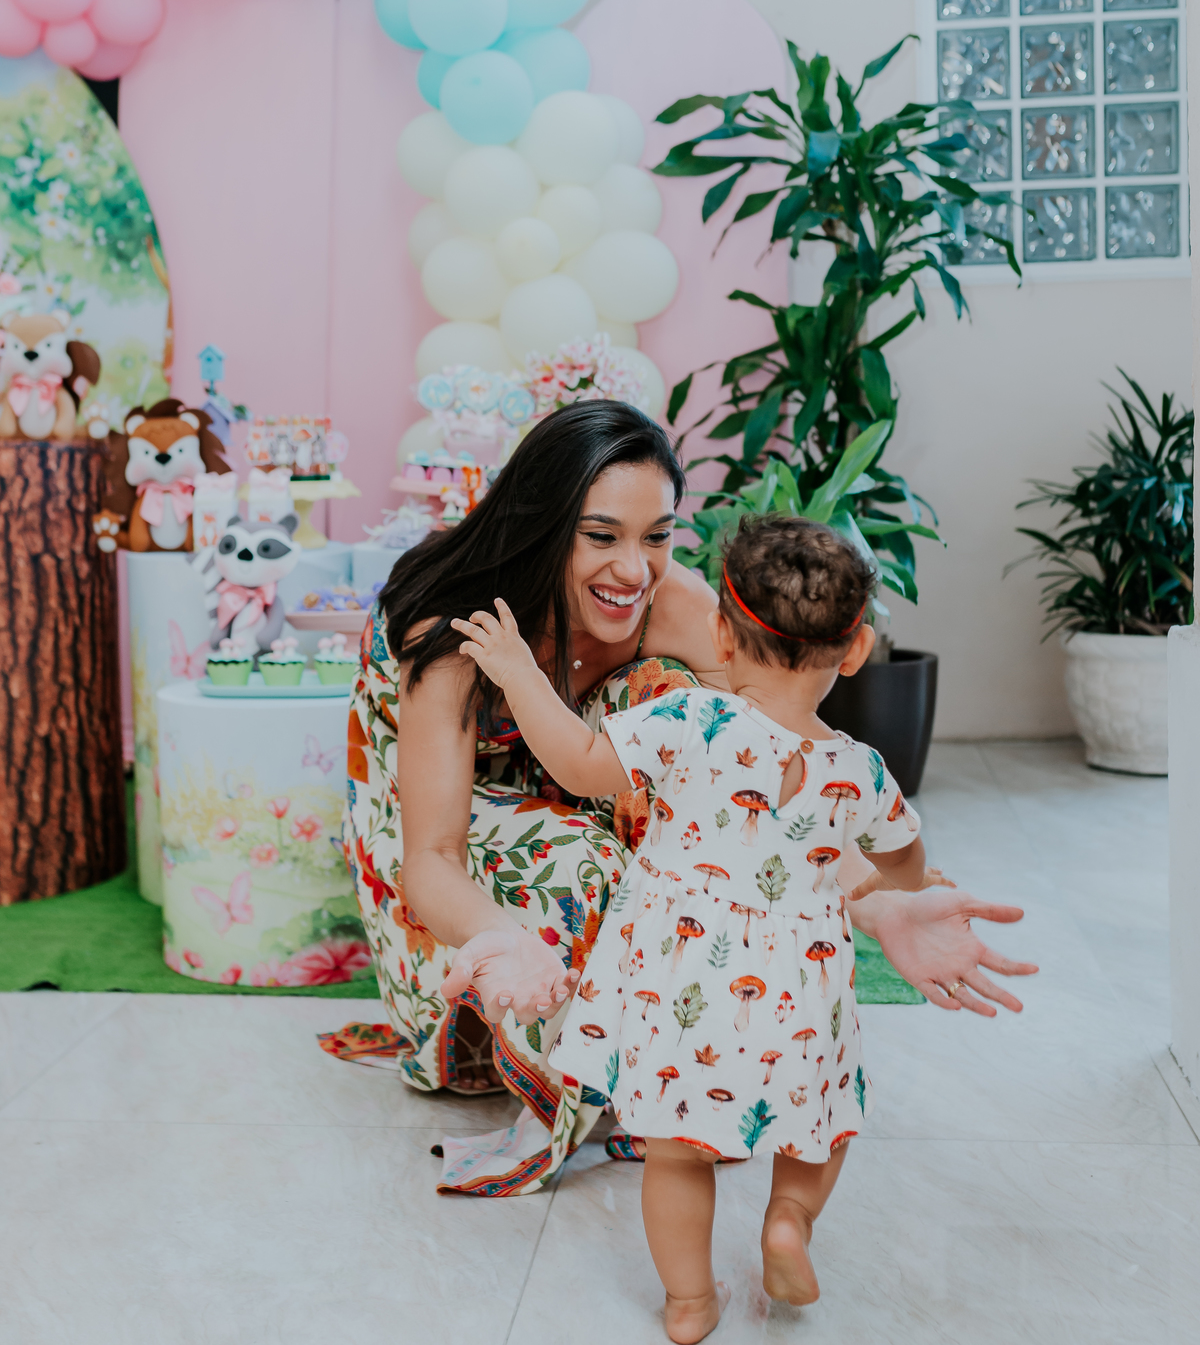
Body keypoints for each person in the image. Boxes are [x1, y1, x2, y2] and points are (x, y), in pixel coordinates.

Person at [338, 400, 1037, 1198]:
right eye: (600, 536)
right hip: (438, 812)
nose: (634, 569)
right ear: (542, 525)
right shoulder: (461, 629)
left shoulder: (670, 608)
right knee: (580, 860)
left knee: (683, 703)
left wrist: (876, 907)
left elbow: (768, 772)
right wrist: (506, 939)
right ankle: (566, 1074)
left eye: (659, 536)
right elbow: (431, 857)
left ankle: (647, 1051)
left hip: (581, 767)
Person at [454, 513, 938, 1341]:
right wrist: (907, 891)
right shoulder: (861, 772)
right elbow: (906, 866)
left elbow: (577, 763)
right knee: (820, 1126)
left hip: (681, 980)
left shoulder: (690, 721)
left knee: (678, 1153)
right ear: (854, 651)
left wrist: (515, 670)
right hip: (799, 988)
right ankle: (789, 1216)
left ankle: (688, 1301)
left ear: (721, 628)